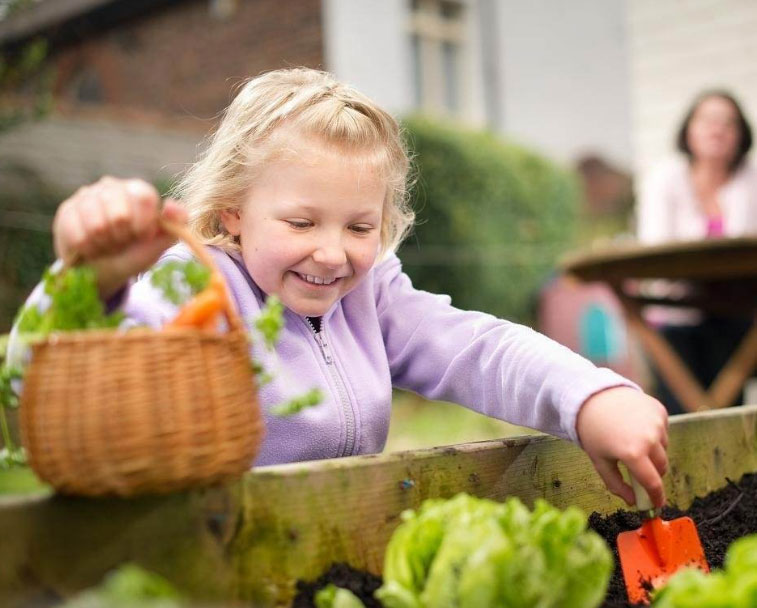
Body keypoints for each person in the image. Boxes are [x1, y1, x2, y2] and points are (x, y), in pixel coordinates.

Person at [13, 68, 668, 508]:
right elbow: (43, 368)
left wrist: (587, 398)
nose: (332, 252)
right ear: (234, 211)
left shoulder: (371, 294)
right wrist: (87, 281)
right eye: (301, 222)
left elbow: (473, 348)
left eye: (360, 225)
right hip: (217, 557)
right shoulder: (195, 283)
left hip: (334, 540)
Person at [636, 89, 757, 413]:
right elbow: (655, 250)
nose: (718, 129)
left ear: (741, 135)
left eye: (729, 123)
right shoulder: (664, 178)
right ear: (688, 131)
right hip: (674, 312)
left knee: (730, 405)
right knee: (680, 408)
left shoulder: (752, 180)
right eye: (707, 120)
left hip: (736, 315)